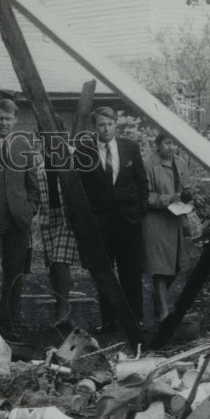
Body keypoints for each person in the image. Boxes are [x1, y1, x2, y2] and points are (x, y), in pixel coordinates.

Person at [77, 106, 147, 333]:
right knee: (104, 274)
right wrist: (89, 220)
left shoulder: (130, 147)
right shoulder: (84, 151)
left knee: (131, 272)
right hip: (100, 223)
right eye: (101, 125)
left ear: (116, 124)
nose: (106, 129)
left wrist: (139, 212)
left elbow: (142, 183)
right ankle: (108, 322)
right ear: (94, 127)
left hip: (129, 221)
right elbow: (81, 187)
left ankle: (136, 320)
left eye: (109, 124)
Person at [0, 98, 39, 339]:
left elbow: (33, 184)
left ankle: (9, 322)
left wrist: (30, 209)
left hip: (18, 221)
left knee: (15, 272)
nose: (4, 123)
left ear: (15, 120)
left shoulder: (23, 146)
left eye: (8, 119)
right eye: (0, 118)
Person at [143, 132, 194, 323]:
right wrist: (170, 198)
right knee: (160, 266)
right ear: (158, 144)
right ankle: (163, 311)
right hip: (156, 220)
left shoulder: (180, 163)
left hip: (177, 218)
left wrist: (187, 195)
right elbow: (145, 195)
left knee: (178, 265)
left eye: (174, 144)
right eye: (167, 143)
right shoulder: (148, 163)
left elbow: (187, 188)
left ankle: (158, 298)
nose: (171, 147)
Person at [33, 137, 81, 334]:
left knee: (61, 260)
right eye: (45, 137)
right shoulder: (37, 159)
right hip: (47, 215)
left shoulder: (74, 156)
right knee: (53, 263)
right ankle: (60, 306)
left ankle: (63, 314)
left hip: (67, 216)